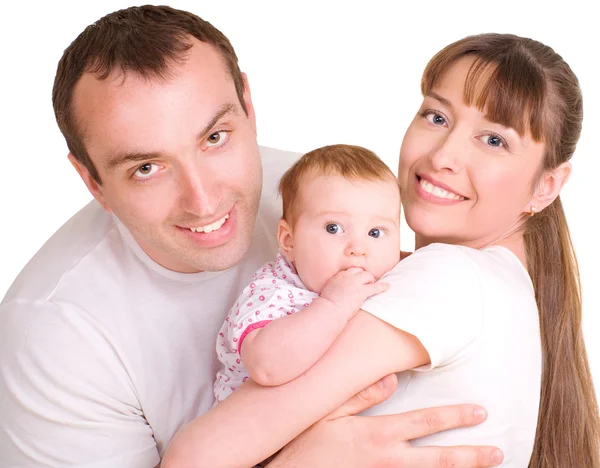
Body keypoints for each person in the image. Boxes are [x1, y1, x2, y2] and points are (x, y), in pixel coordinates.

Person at [0, 5, 503, 468]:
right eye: (148, 167)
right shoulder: (53, 341)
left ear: (247, 104)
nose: (203, 201)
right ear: (92, 182)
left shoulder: (319, 198)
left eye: (215, 138)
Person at [162, 33, 600, 468]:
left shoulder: (451, 277)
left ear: (547, 186)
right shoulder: (503, 285)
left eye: (494, 140)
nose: (444, 155)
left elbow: (192, 459)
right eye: (436, 116)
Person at [214, 144, 400, 402]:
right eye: (334, 228)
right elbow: (267, 367)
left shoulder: (391, 281)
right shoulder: (274, 293)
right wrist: (333, 305)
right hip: (261, 432)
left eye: (375, 233)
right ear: (289, 241)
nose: (358, 248)